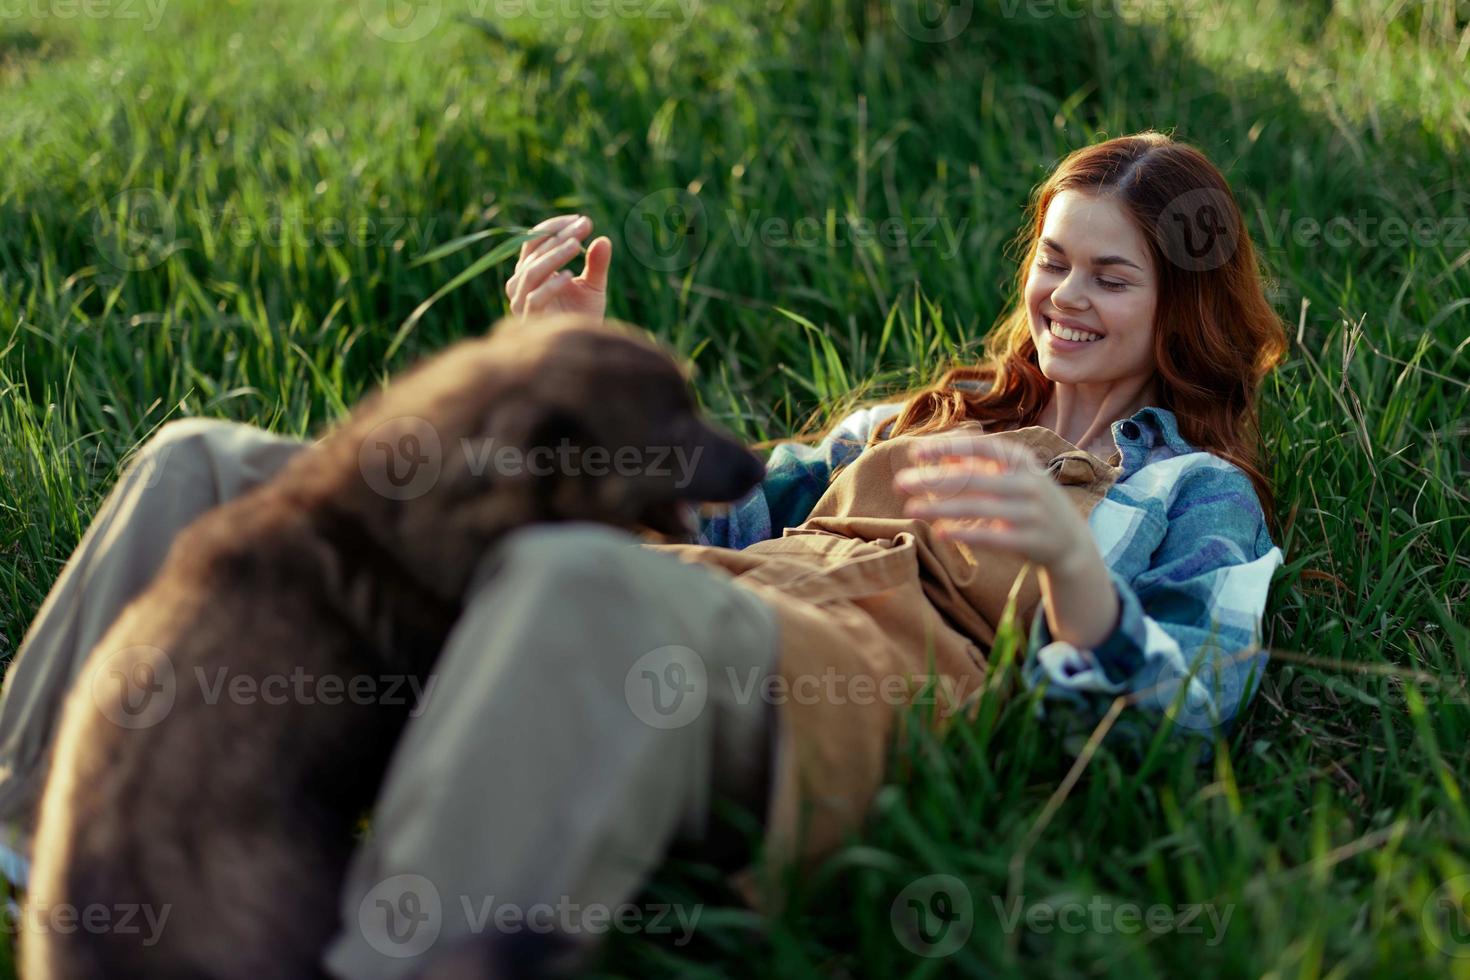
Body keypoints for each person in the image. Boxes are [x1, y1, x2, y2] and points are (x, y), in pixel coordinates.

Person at [0, 131, 1286, 976]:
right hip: (688, 592)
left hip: (840, 673)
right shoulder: (917, 417)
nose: (1064, 297)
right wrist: (569, 373)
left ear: (1181, 301)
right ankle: (29, 844)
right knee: (205, 460)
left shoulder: (1193, 490)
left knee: (574, 580)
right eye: (1053, 262)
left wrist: (1073, 568)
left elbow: (1187, 705)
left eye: (1109, 278)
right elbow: (715, 514)